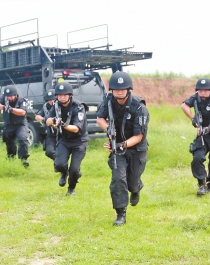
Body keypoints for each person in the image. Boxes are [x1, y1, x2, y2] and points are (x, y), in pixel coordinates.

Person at [97, 71, 150, 226]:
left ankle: (136, 189)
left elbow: (139, 135)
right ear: (111, 90)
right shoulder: (108, 101)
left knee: (132, 182)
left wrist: (123, 144)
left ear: (129, 89)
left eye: (123, 88)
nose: (119, 91)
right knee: (118, 178)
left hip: (136, 148)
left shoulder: (139, 107)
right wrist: (107, 129)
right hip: (117, 149)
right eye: (116, 89)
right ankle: (121, 213)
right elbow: (100, 118)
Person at [181, 77, 210, 195]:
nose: (202, 92)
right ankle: (201, 184)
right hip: (202, 136)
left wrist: (208, 129)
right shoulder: (196, 98)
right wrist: (193, 118)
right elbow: (184, 106)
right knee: (197, 157)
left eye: (205, 90)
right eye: (200, 90)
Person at [45, 82, 89, 195]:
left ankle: (71, 188)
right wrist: (54, 120)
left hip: (79, 141)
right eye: (60, 95)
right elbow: (47, 121)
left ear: (70, 95)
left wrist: (62, 124)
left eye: (65, 95)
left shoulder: (78, 107)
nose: (62, 97)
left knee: (74, 169)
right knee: (59, 164)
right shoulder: (56, 106)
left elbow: (76, 129)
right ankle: (64, 173)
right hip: (64, 140)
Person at [0, 85, 30, 167]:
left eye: (10, 96)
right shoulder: (4, 98)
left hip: (20, 124)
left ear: (15, 95)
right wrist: (4, 107)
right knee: (10, 143)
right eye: (7, 96)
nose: (9, 98)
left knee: (23, 139)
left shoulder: (21, 100)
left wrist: (11, 109)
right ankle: (11, 159)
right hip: (9, 124)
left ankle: (24, 159)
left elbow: (22, 112)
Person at [35, 89, 57, 161]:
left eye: (53, 99)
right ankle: (60, 162)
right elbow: (37, 116)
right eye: (49, 100)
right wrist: (44, 120)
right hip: (51, 134)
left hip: (61, 133)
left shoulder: (60, 106)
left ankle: (62, 163)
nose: (51, 101)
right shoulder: (45, 107)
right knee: (49, 152)